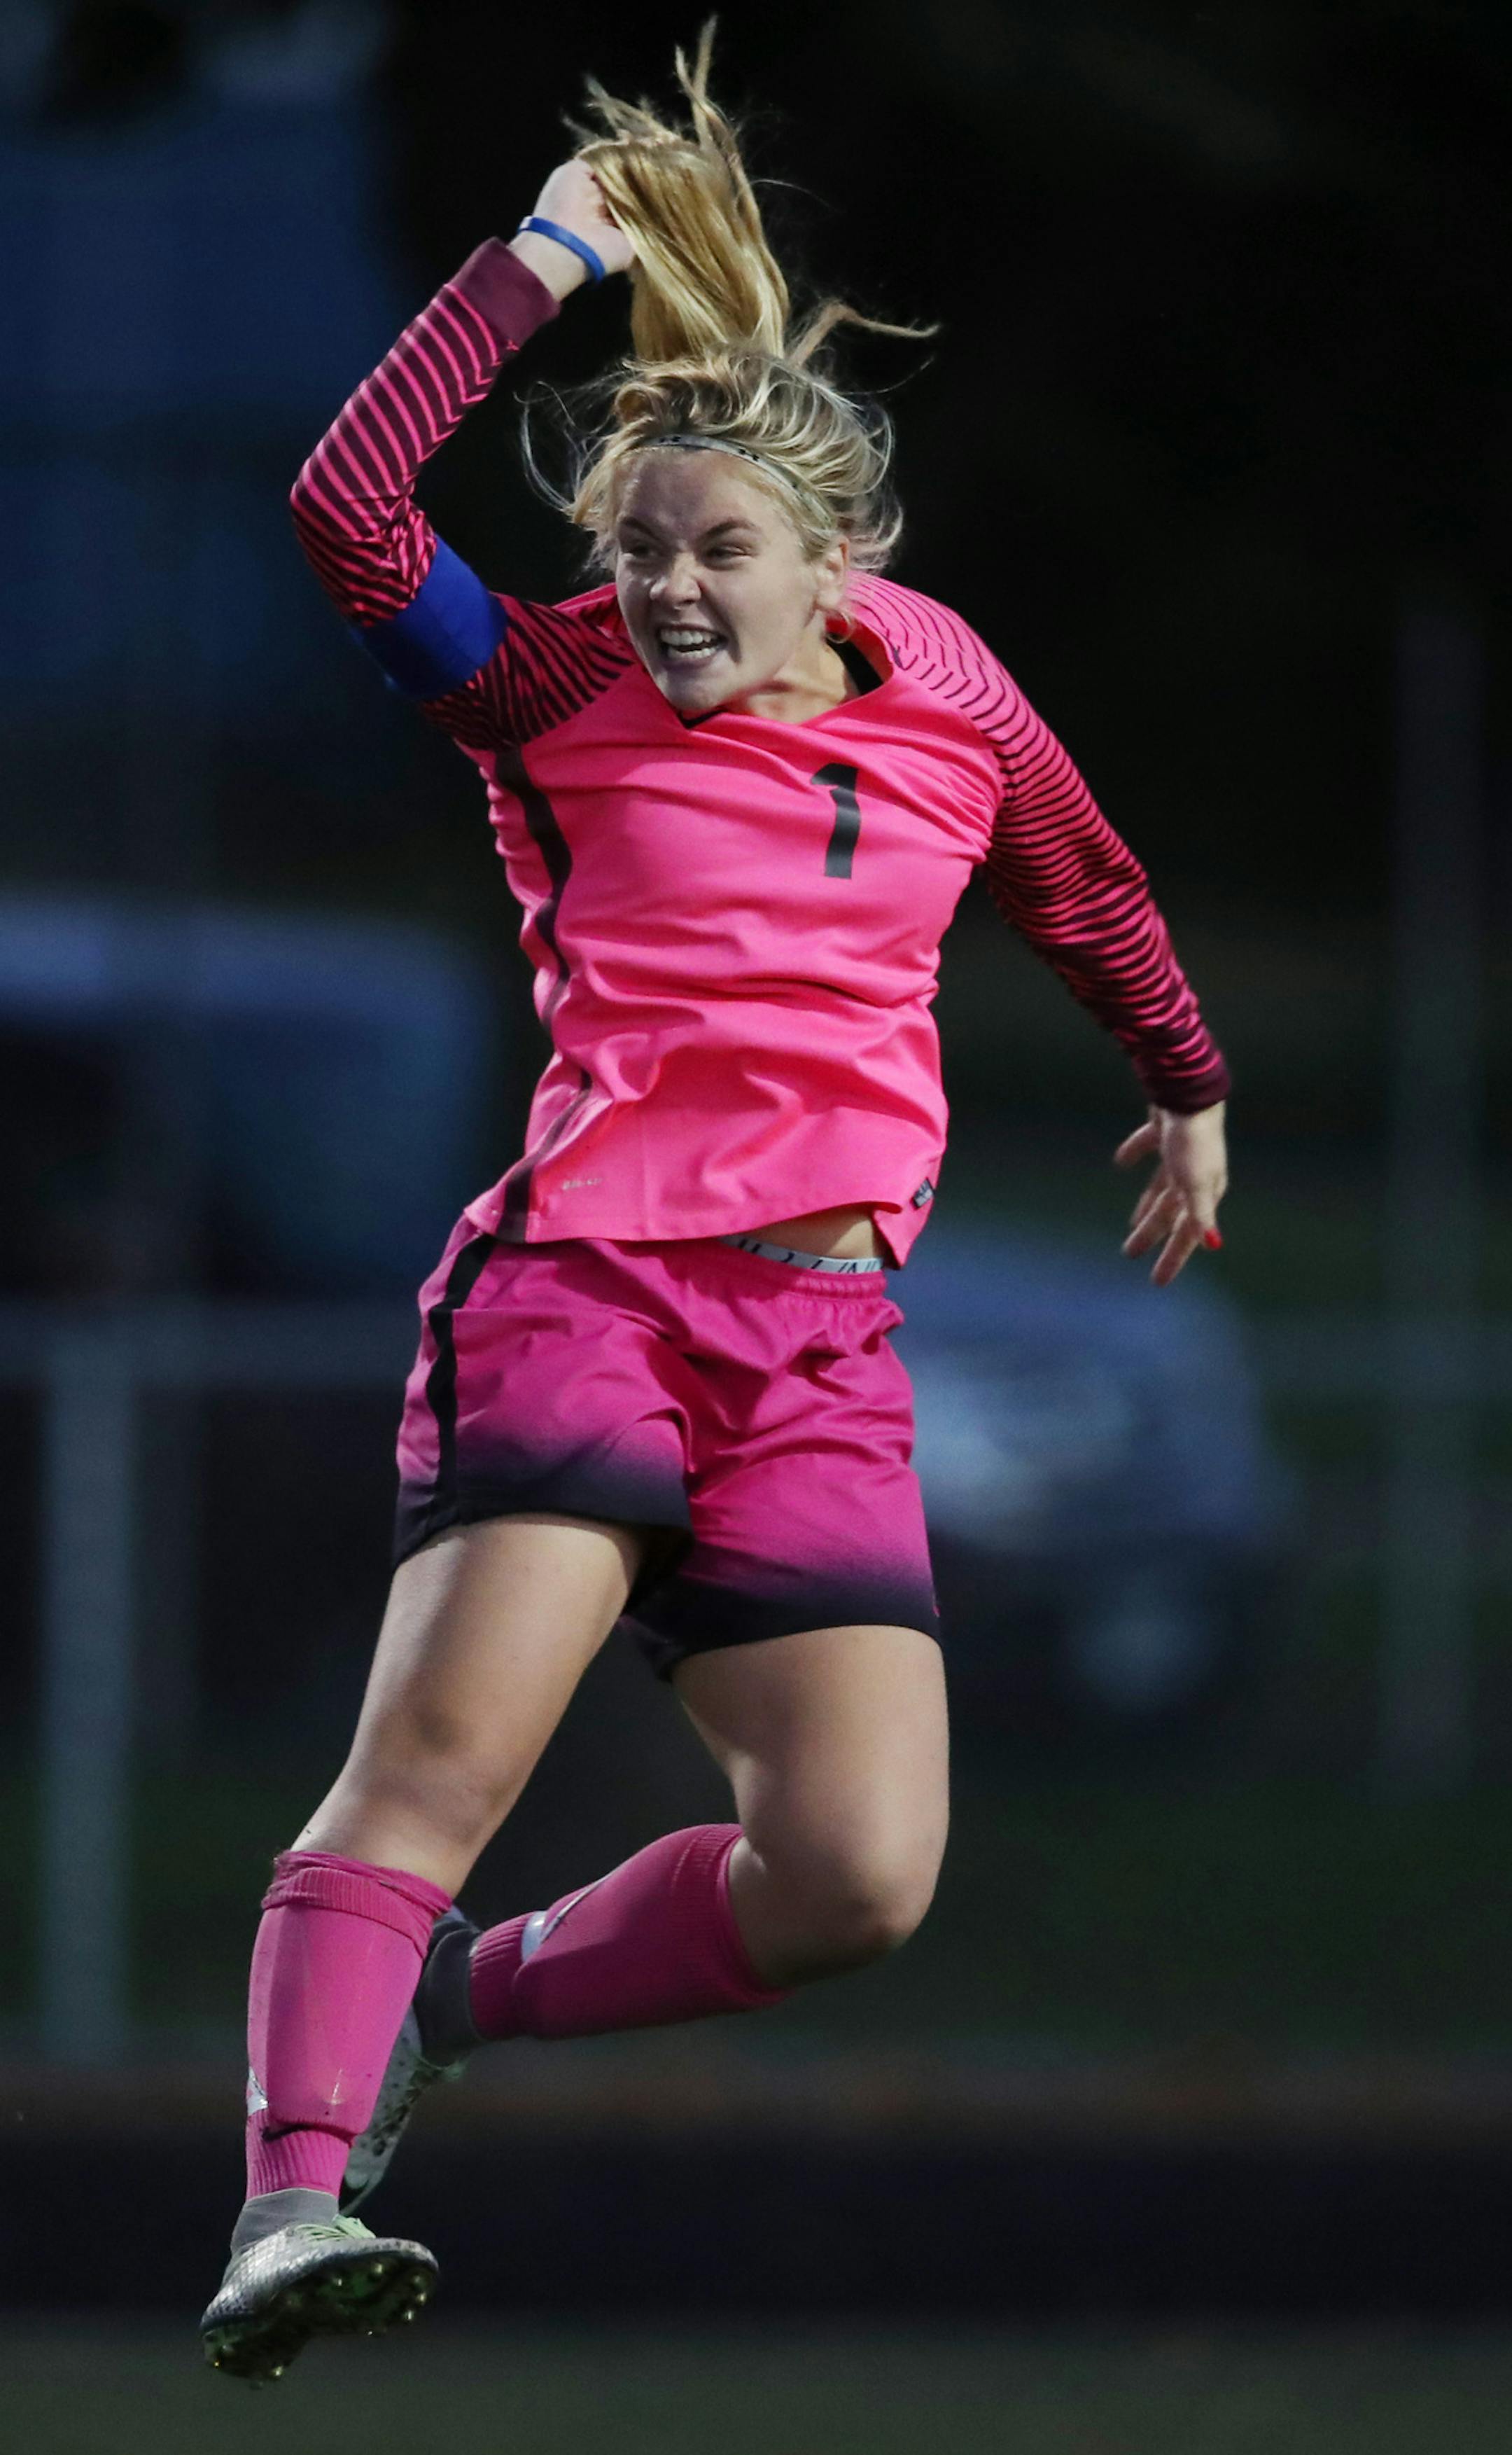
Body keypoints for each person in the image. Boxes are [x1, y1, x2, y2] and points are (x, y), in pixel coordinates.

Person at [200, 31, 1229, 2384]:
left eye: (715, 550)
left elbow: (1081, 881)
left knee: (855, 1873)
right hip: (587, 1294)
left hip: (823, 1348)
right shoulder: (540, 690)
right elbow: (348, 507)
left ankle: (447, 2005)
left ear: (841, 565)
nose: (665, 587)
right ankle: (286, 2196)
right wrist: (537, 260)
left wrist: (1183, 1081)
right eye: (639, 547)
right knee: (438, 1766)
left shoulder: (948, 690)